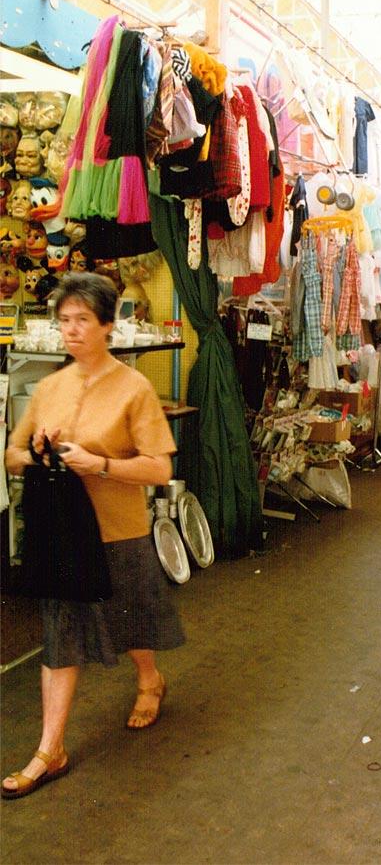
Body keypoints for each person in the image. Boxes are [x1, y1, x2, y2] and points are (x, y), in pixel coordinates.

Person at [3, 272, 185, 800]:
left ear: (109, 324)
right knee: (61, 636)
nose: (72, 331)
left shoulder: (135, 388)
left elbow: (157, 469)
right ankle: (49, 749)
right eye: (64, 321)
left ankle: (149, 680)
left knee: (129, 618)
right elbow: (12, 457)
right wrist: (36, 452)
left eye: (84, 320)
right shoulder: (50, 388)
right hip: (62, 534)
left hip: (118, 530)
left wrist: (100, 464)